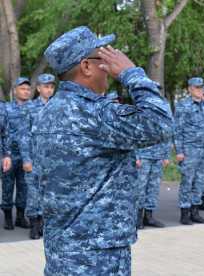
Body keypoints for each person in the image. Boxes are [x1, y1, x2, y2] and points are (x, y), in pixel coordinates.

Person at [32, 26, 173, 275]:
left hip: (62, 249)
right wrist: (131, 73)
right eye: (103, 59)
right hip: (98, 254)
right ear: (86, 66)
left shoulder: (47, 112)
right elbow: (160, 123)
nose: (108, 67)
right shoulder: (96, 114)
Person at [174, 77, 204, 225]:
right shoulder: (183, 106)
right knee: (187, 181)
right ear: (190, 89)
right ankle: (184, 213)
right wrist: (179, 151)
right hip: (190, 149)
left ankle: (195, 211)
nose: (200, 90)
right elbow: (178, 130)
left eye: (201, 88)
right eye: (197, 88)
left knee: (200, 182)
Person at [20, 73, 56, 239]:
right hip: (35, 158)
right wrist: (26, 159)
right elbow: (23, 135)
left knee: (51, 193)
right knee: (34, 193)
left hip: (54, 159)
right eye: (45, 86)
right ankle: (34, 225)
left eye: (51, 86)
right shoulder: (29, 107)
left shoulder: (58, 107)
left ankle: (45, 225)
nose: (48, 89)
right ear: (39, 88)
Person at [1, 77, 32, 230]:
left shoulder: (34, 107)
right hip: (10, 155)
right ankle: (7, 216)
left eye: (28, 89)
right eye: (22, 88)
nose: (26, 91)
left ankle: (20, 216)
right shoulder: (5, 108)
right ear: (15, 90)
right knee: (7, 186)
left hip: (28, 156)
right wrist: (3, 155)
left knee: (24, 186)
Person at [135, 140, 171, 229]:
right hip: (144, 156)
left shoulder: (163, 125)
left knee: (154, 188)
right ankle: (137, 218)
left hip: (159, 157)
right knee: (140, 187)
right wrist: (136, 157)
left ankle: (148, 217)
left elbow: (167, 136)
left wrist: (166, 156)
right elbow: (136, 137)